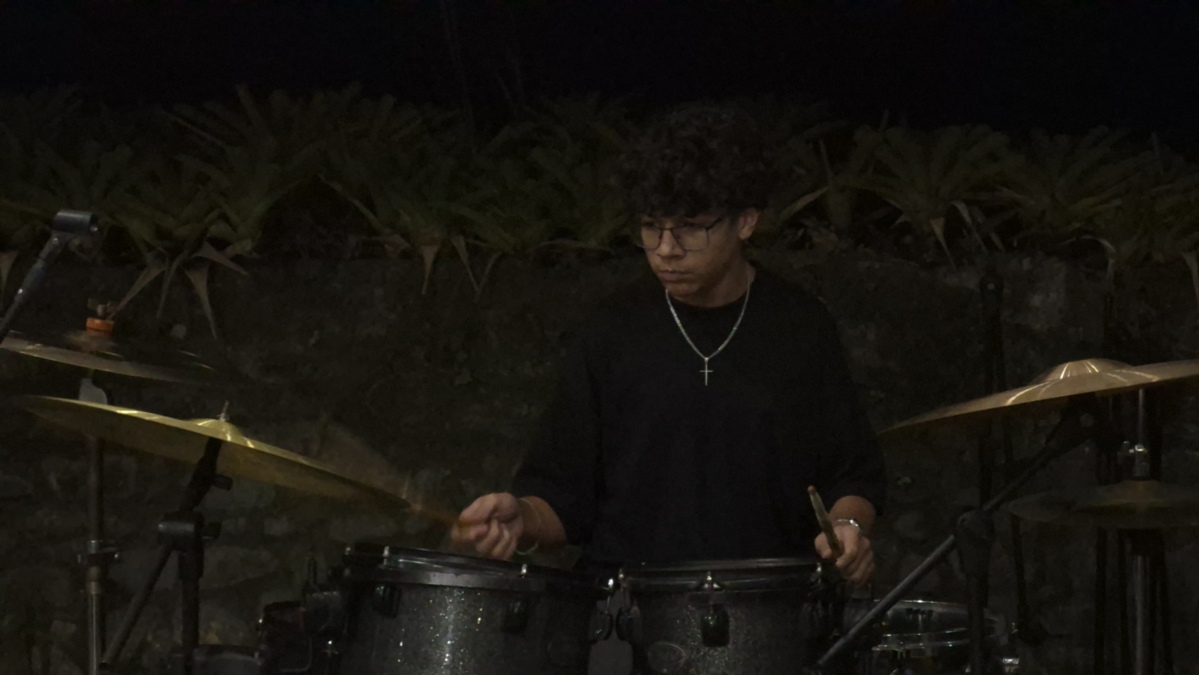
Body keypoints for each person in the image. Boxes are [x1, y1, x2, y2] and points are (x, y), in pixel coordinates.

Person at [451, 105, 885, 587]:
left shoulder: (801, 326)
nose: (665, 249)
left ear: (745, 221)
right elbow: (561, 496)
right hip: (625, 600)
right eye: (650, 227)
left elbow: (852, 475)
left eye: (690, 227)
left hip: (766, 598)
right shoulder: (610, 329)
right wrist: (522, 520)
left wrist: (848, 528)